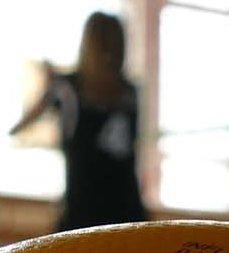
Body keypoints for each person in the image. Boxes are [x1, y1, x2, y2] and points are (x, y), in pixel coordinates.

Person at [8, 12, 148, 232]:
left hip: (119, 213)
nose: (108, 52)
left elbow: (28, 120)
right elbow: (30, 119)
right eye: (104, 43)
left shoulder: (128, 93)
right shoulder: (67, 89)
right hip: (88, 213)